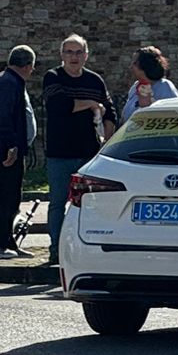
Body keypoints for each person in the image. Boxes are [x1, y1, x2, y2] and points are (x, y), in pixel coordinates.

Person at [40, 33, 118, 264]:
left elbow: (110, 111)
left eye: (78, 52)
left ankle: (89, 250)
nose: (74, 57)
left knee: (92, 206)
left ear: (86, 55)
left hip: (89, 154)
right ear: (61, 55)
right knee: (57, 203)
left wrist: (107, 142)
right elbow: (58, 107)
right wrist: (91, 104)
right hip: (60, 153)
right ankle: (56, 249)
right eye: (69, 52)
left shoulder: (95, 80)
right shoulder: (53, 77)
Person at [0, 45, 37, 257]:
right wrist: (12, 146)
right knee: (8, 196)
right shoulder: (9, 83)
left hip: (10, 147)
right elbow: (4, 118)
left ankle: (8, 241)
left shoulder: (9, 80)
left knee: (13, 196)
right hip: (7, 149)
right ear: (27, 66)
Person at [119, 46, 178, 122]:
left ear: (145, 65)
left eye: (134, 63)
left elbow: (173, 116)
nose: (130, 67)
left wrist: (149, 105)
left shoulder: (165, 87)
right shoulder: (135, 87)